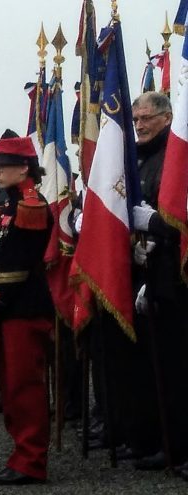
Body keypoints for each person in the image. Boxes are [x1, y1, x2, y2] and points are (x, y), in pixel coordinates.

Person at [0, 135, 54, 485]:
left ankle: (31, 460)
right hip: (12, 307)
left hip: (23, 307)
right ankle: (20, 454)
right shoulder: (9, 203)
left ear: (24, 168)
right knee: (10, 384)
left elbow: (19, 263)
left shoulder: (30, 205)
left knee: (24, 385)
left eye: (3, 165)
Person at [125, 92, 187, 472]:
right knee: (161, 366)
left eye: (147, 118)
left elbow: (180, 217)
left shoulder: (177, 157)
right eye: (136, 120)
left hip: (178, 276)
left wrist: (153, 225)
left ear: (168, 118)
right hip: (154, 274)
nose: (141, 125)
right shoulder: (139, 158)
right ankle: (170, 441)